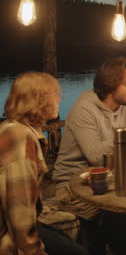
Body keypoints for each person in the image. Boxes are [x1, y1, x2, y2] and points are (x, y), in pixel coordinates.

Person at [53, 57, 126, 254]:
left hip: (110, 183)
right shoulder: (84, 110)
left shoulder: (125, 110)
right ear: (109, 84)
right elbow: (97, 157)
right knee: (122, 220)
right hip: (73, 186)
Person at [0, 72, 89, 255]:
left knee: (70, 236)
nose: (59, 98)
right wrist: (34, 251)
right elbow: (20, 210)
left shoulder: (16, 128)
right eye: (54, 95)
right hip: (7, 236)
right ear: (39, 100)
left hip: (21, 226)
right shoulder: (20, 138)